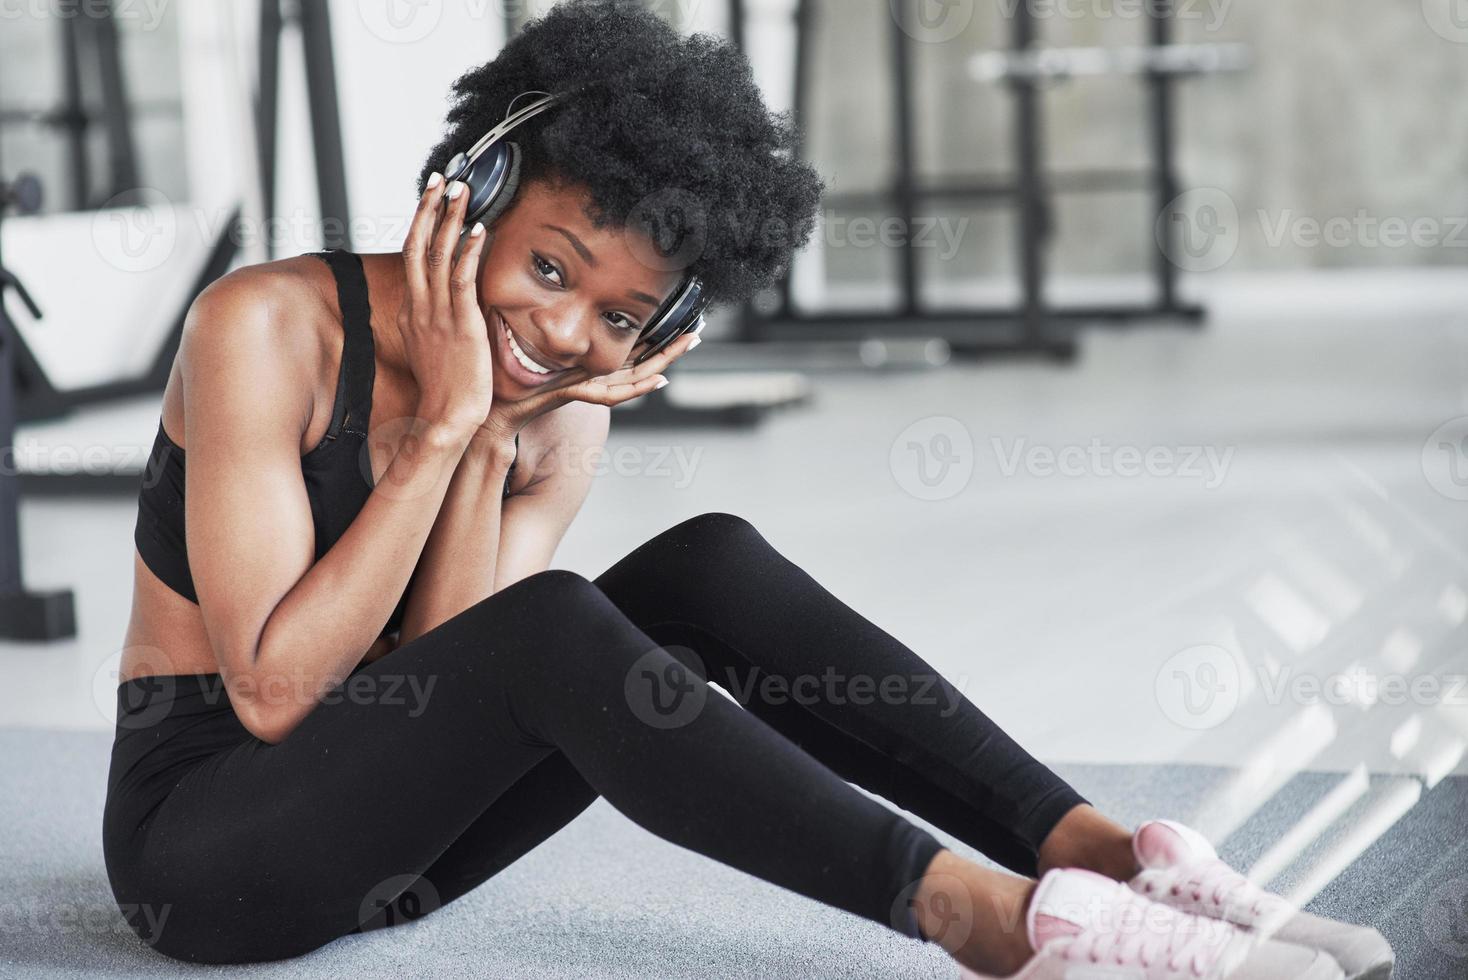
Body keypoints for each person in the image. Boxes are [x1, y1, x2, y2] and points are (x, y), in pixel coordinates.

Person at [103, 2, 1391, 977]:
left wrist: (493, 437)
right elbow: (275, 698)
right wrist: (444, 426)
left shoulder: (554, 414)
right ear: (477, 193)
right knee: (555, 621)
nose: (562, 336)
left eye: (619, 315)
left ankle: (1114, 860)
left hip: (400, 849)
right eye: (550, 270)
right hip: (209, 852)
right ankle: (998, 927)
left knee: (704, 562)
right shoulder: (265, 329)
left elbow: (450, 689)